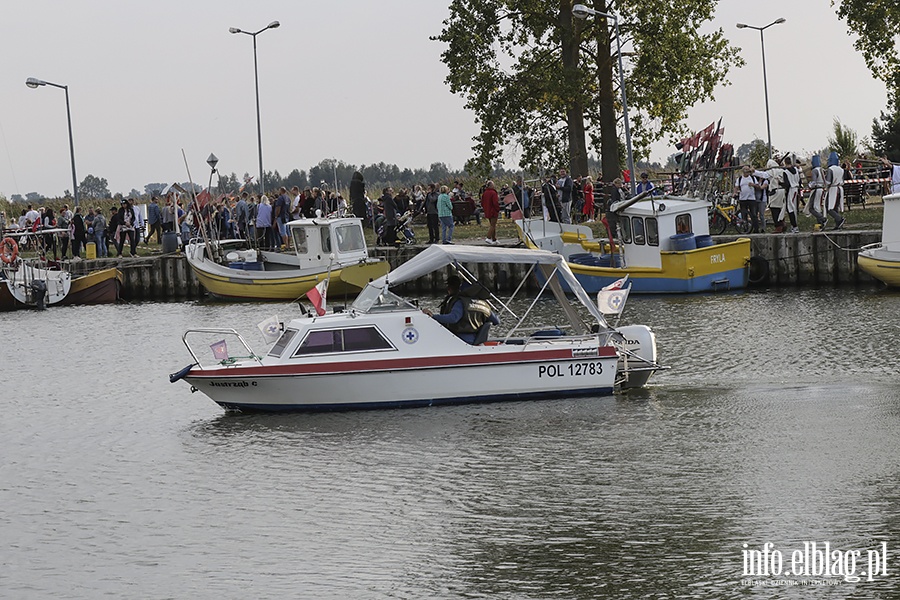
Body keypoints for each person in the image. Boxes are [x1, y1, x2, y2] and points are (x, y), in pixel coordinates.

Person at [423, 275, 500, 344]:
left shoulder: (461, 302)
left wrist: (433, 316)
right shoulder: (484, 304)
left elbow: (453, 318)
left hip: (461, 340)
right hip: (477, 339)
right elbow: (497, 321)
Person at [805, 155, 828, 229]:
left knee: (812, 208)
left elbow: (814, 182)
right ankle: (820, 224)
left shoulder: (815, 170)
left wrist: (809, 185)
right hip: (822, 189)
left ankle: (822, 219)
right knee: (818, 207)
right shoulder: (822, 169)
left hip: (816, 189)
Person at [780, 156, 802, 233]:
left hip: (791, 190)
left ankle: (795, 226)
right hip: (796, 189)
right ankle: (794, 226)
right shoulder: (796, 170)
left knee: (790, 209)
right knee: (794, 208)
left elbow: (787, 184)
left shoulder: (785, 172)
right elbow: (799, 181)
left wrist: (780, 183)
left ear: (785, 163)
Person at [825, 151, 846, 230]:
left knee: (829, 207)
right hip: (840, 188)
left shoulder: (830, 169)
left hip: (833, 189)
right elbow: (842, 180)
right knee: (836, 206)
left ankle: (839, 219)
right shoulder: (841, 169)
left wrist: (825, 182)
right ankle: (838, 224)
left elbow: (828, 182)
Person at [481, 180, 500, 245]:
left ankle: (494, 238)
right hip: (493, 211)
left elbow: (482, 202)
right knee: (493, 225)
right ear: (491, 185)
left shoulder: (485, 193)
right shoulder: (493, 193)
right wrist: (498, 209)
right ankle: (488, 237)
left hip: (487, 210)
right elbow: (495, 202)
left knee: (492, 224)